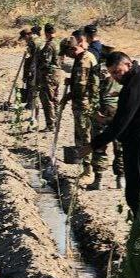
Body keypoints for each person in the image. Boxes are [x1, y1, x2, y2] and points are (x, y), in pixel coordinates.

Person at [82, 51, 140, 218]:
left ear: (128, 64)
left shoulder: (133, 87)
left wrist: (93, 144)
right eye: (111, 73)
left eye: (117, 71)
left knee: (136, 195)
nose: (115, 77)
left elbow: (121, 123)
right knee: (139, 190)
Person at [61, 36, 101, 182]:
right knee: (81, 134)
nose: (67, 56)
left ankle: (88, 171)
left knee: (84, 136)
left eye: (67, 53)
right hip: (81, 103)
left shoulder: (84, 60)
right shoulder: (81, 57)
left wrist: (69, 95)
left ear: (72, 48)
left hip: (84, 104)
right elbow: (79, 81)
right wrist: (71, 81)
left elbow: (81, 86)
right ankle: (85, 168)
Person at [92, 47, 125, 190]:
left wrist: (93, 110)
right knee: (119, 145)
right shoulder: (121, 70)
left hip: (102, 110)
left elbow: (92, 90)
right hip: (118, 110)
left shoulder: (98, 69)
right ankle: (120, 178)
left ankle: (98, 179)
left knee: (99, 144)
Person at [36, 24, 62, 132]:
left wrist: (39, 67)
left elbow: (45, 62)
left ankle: (51, 124)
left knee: (47, 100)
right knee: (55, 98)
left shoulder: (49, 45)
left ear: (46, 33)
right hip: (57, 74)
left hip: (49, 75)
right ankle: (56, 121)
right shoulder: (58, 44)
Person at [24, 25, 44, 125]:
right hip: (42, 69)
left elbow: (29, 58)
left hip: (34, 68)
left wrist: (26, 72)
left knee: (34, 90)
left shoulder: (33, 42)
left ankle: (34, 114)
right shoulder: (42, 41)